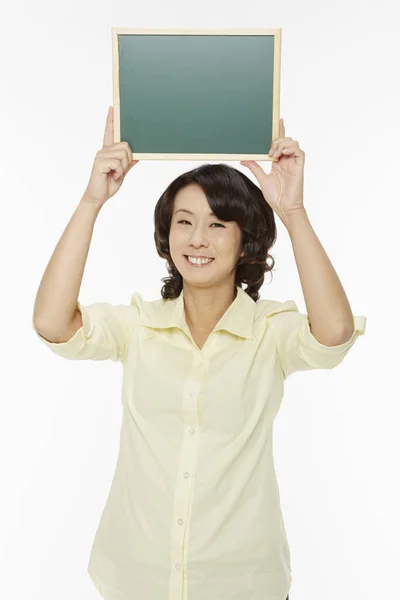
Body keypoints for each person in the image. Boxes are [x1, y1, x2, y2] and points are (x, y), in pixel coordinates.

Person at [32, 106, 366, 600]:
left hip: (242, 584)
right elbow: (51, 323)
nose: (197, 239)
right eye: (184, 222)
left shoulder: (269, 331)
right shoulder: (139, 325)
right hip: (136, 580)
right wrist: (91, 200)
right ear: (167, 238)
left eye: (217, 225)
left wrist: (293, 213)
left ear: (245, 240)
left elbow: (334, 333)